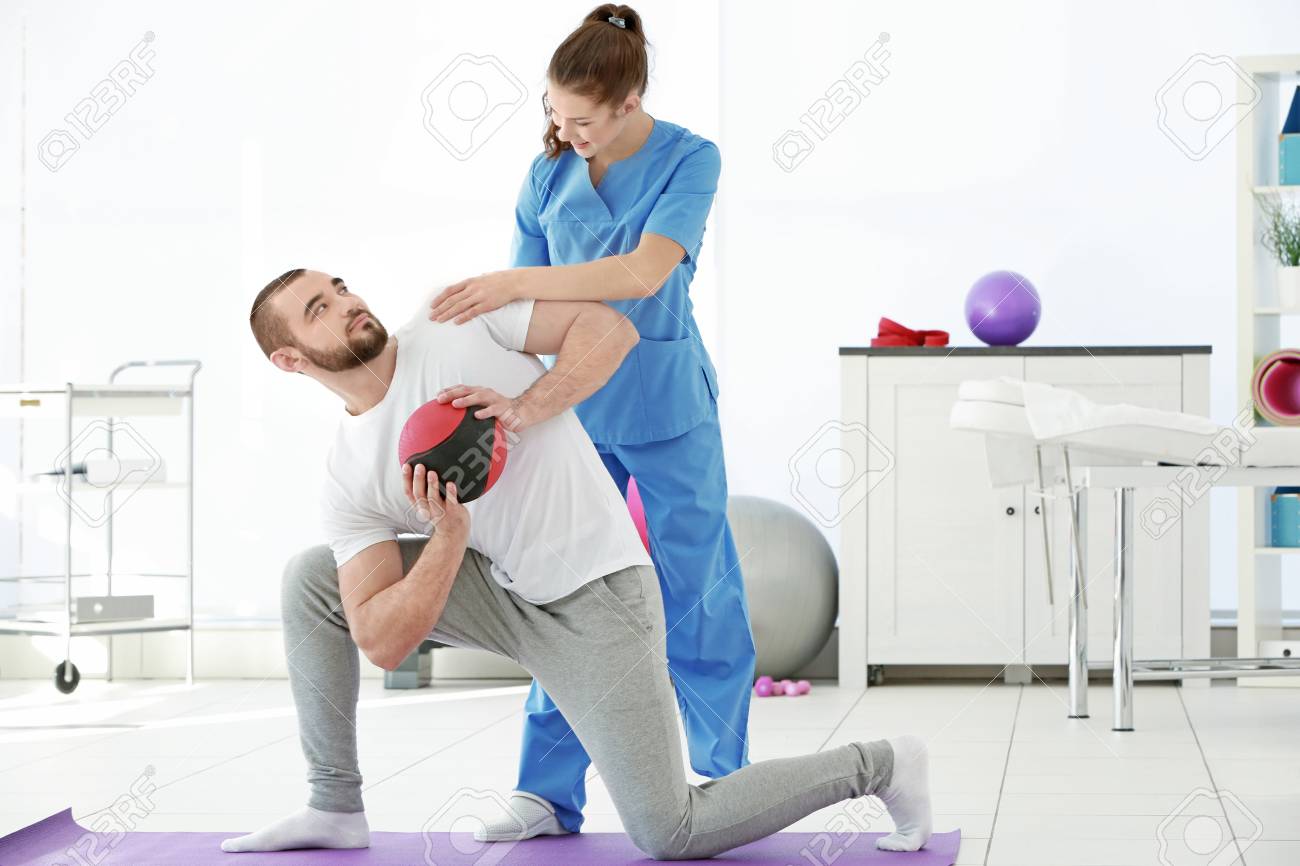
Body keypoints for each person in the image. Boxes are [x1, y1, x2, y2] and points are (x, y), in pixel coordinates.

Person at [222, 268, 933, 859]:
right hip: (503, 589)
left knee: (670, 831)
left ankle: (884, 764)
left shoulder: (454, 321)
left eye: (341, 287)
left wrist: (525, 407)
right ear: (291, 360)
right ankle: (334, 806)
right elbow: (380, 638)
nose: (348, 303)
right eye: (320, 308)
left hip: (599, 596)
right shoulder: (348, 474)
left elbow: (611, 329)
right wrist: (446, 535)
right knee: (312, 578)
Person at [428, 5, 755, 840]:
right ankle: (546, 793)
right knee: (564, 590)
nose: (565, 132)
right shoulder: (546, 175)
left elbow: (646, 273)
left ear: (628, 99)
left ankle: (726, 778)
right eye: (553, 114)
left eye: (581, 119)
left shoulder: (691, 158)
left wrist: (510, 282)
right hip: (572, 408)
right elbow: (525, 311)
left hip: (668, 403)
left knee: (698, 591)